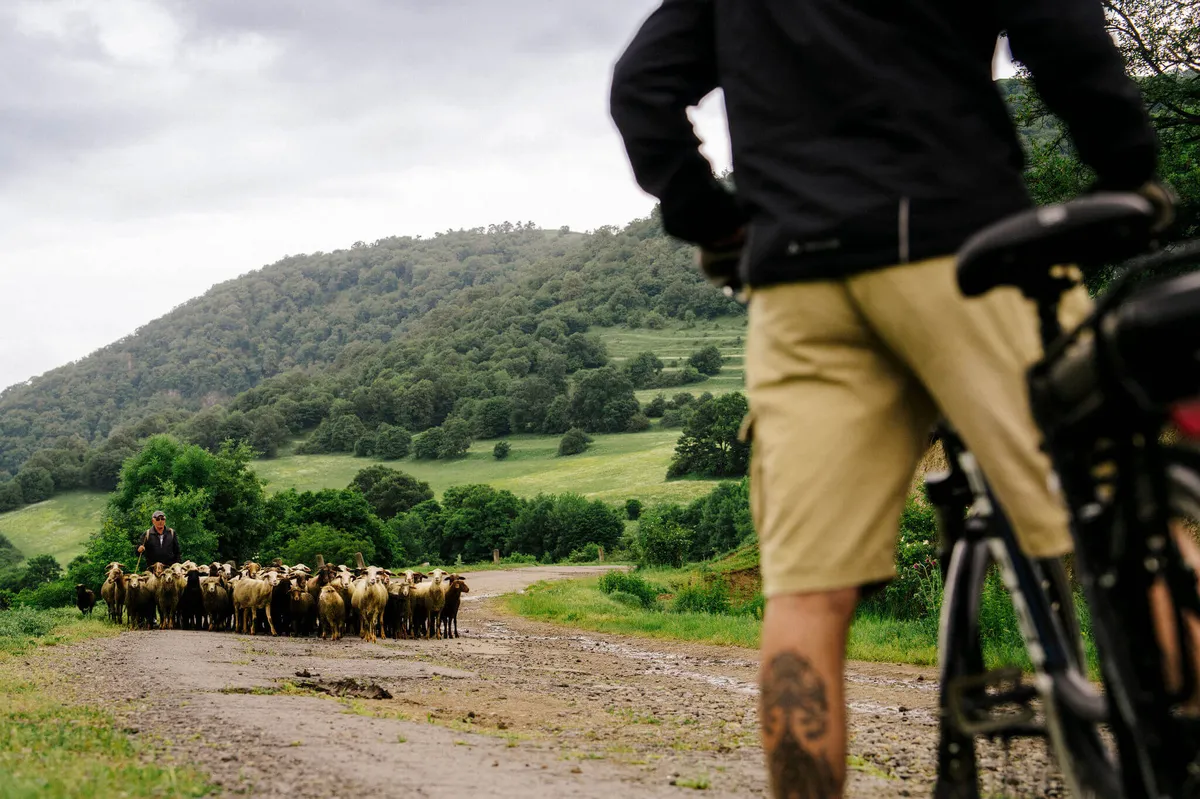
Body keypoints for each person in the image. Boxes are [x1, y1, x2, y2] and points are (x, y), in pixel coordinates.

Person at [609, 2, 1173, 797]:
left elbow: (641, 89)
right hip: (968, 247)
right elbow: (1059, 27)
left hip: (802, 282)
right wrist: (1125, 169)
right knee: (1127, 516)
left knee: (807, 591)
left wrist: (719, 223)